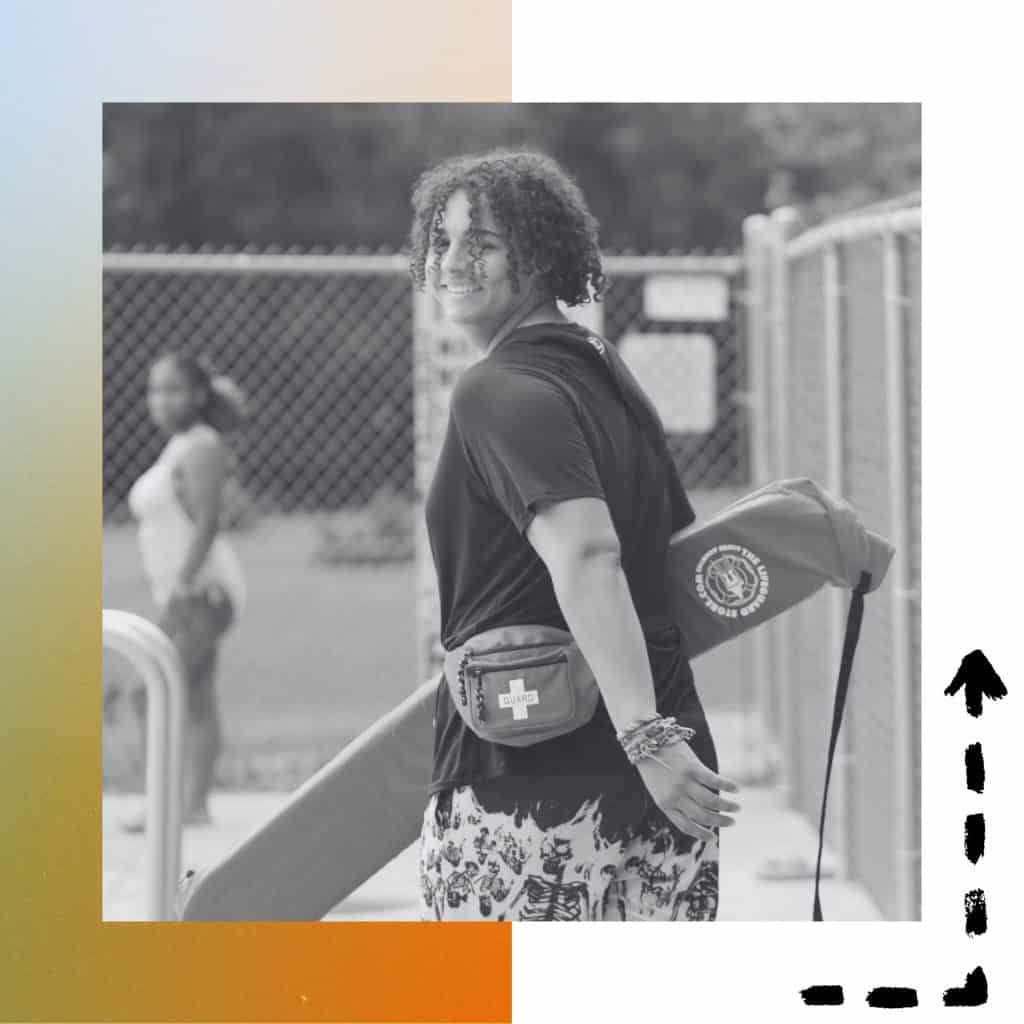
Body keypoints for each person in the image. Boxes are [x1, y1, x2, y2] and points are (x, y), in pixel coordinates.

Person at [409, 150, 740, 921]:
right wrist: (657, 742)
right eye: (440, 240)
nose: (453, 260)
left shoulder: (496, 389)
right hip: (662, 782)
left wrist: (645, 738)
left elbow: (592, 555)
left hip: (532, 787)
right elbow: (662, 557)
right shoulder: (605, 374)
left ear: (541, 254)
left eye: (483, 242)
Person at [123, 352, 248, 830]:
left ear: (198, 395)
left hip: (203, 592)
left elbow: (208, 523)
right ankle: (193, 807)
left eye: (172, 389)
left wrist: (181, 583)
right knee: (194, 695)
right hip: (189, 592)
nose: (161, 400)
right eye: (155, 390)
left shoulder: (201, 446)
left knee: (145, 688)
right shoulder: (179, 446)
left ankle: (165, 803)